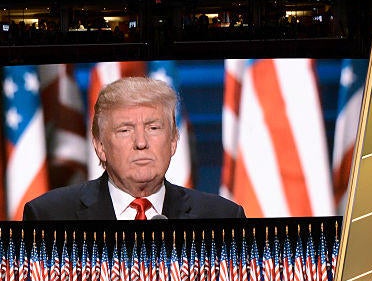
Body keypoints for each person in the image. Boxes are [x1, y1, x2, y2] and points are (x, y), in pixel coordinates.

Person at [22, 77, 245, 221]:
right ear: (100, 146)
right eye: (125, 130)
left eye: (153, 127)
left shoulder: (223, 217)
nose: (141, 142)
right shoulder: (48, 216)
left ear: (174, 140)